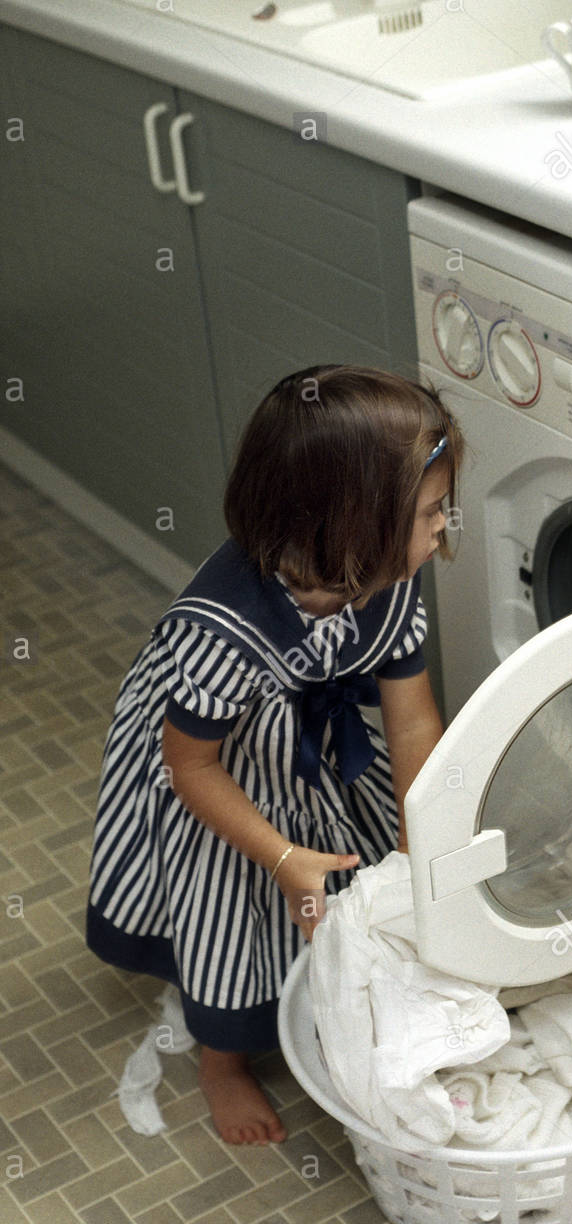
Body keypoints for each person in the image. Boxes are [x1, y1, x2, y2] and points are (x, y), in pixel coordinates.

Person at [86, 365, 463, 1145]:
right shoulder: (220, 626)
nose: (443, 528)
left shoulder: (385, 575)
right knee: (226, 905)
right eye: (430, 512)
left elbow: (412, 723)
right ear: (352, 525)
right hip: (212, 770)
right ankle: (222, 1060)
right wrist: (282, 854)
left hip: (311, 742)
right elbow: (191, 769)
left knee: (353, 876)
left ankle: (332, 991)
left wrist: (418, 836)